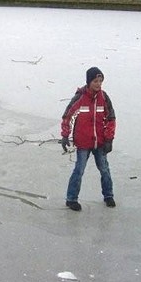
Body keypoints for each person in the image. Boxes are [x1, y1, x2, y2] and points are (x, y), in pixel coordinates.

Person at [60, 67, 116, 211]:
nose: (98, 84)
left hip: (100, 143)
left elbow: (111, 119)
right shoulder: (80, 98)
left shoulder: (104, 97)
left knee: (104, 169)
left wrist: (109, 139)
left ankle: (108, 195)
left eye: (101, 81)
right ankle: (71, 199)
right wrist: (65, 136)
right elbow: (68, 116)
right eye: (95, 81)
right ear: (89, 81)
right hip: (83, 143)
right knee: (79, 170)